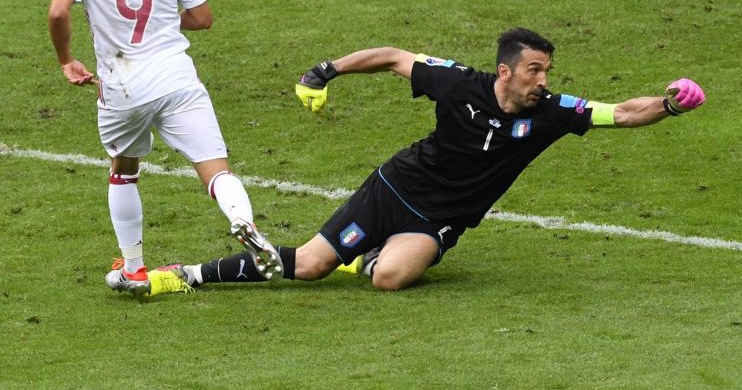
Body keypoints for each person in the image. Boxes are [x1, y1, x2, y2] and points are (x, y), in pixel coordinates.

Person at [151, 28, 704, 294]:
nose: (545, 80)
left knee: (387, 280)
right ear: (506, 71)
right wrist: (327, 69)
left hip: (441, 219)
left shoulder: (555, 112)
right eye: (535, 70)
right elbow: (393, 57)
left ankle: (370, 256)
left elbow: (625, 114)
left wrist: (669, 105)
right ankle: (187, 275)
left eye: (548, 71)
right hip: (394, 188)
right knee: (309, 266)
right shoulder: (458, 83)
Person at [47, 0, 282, 296]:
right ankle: (243, 221)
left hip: (121, 85)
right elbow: (202, 18)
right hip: (176, 78)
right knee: (215, 169)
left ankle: (134, 269)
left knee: (124, 170)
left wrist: (66, 60)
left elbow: (59, 11)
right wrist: (160, 19)